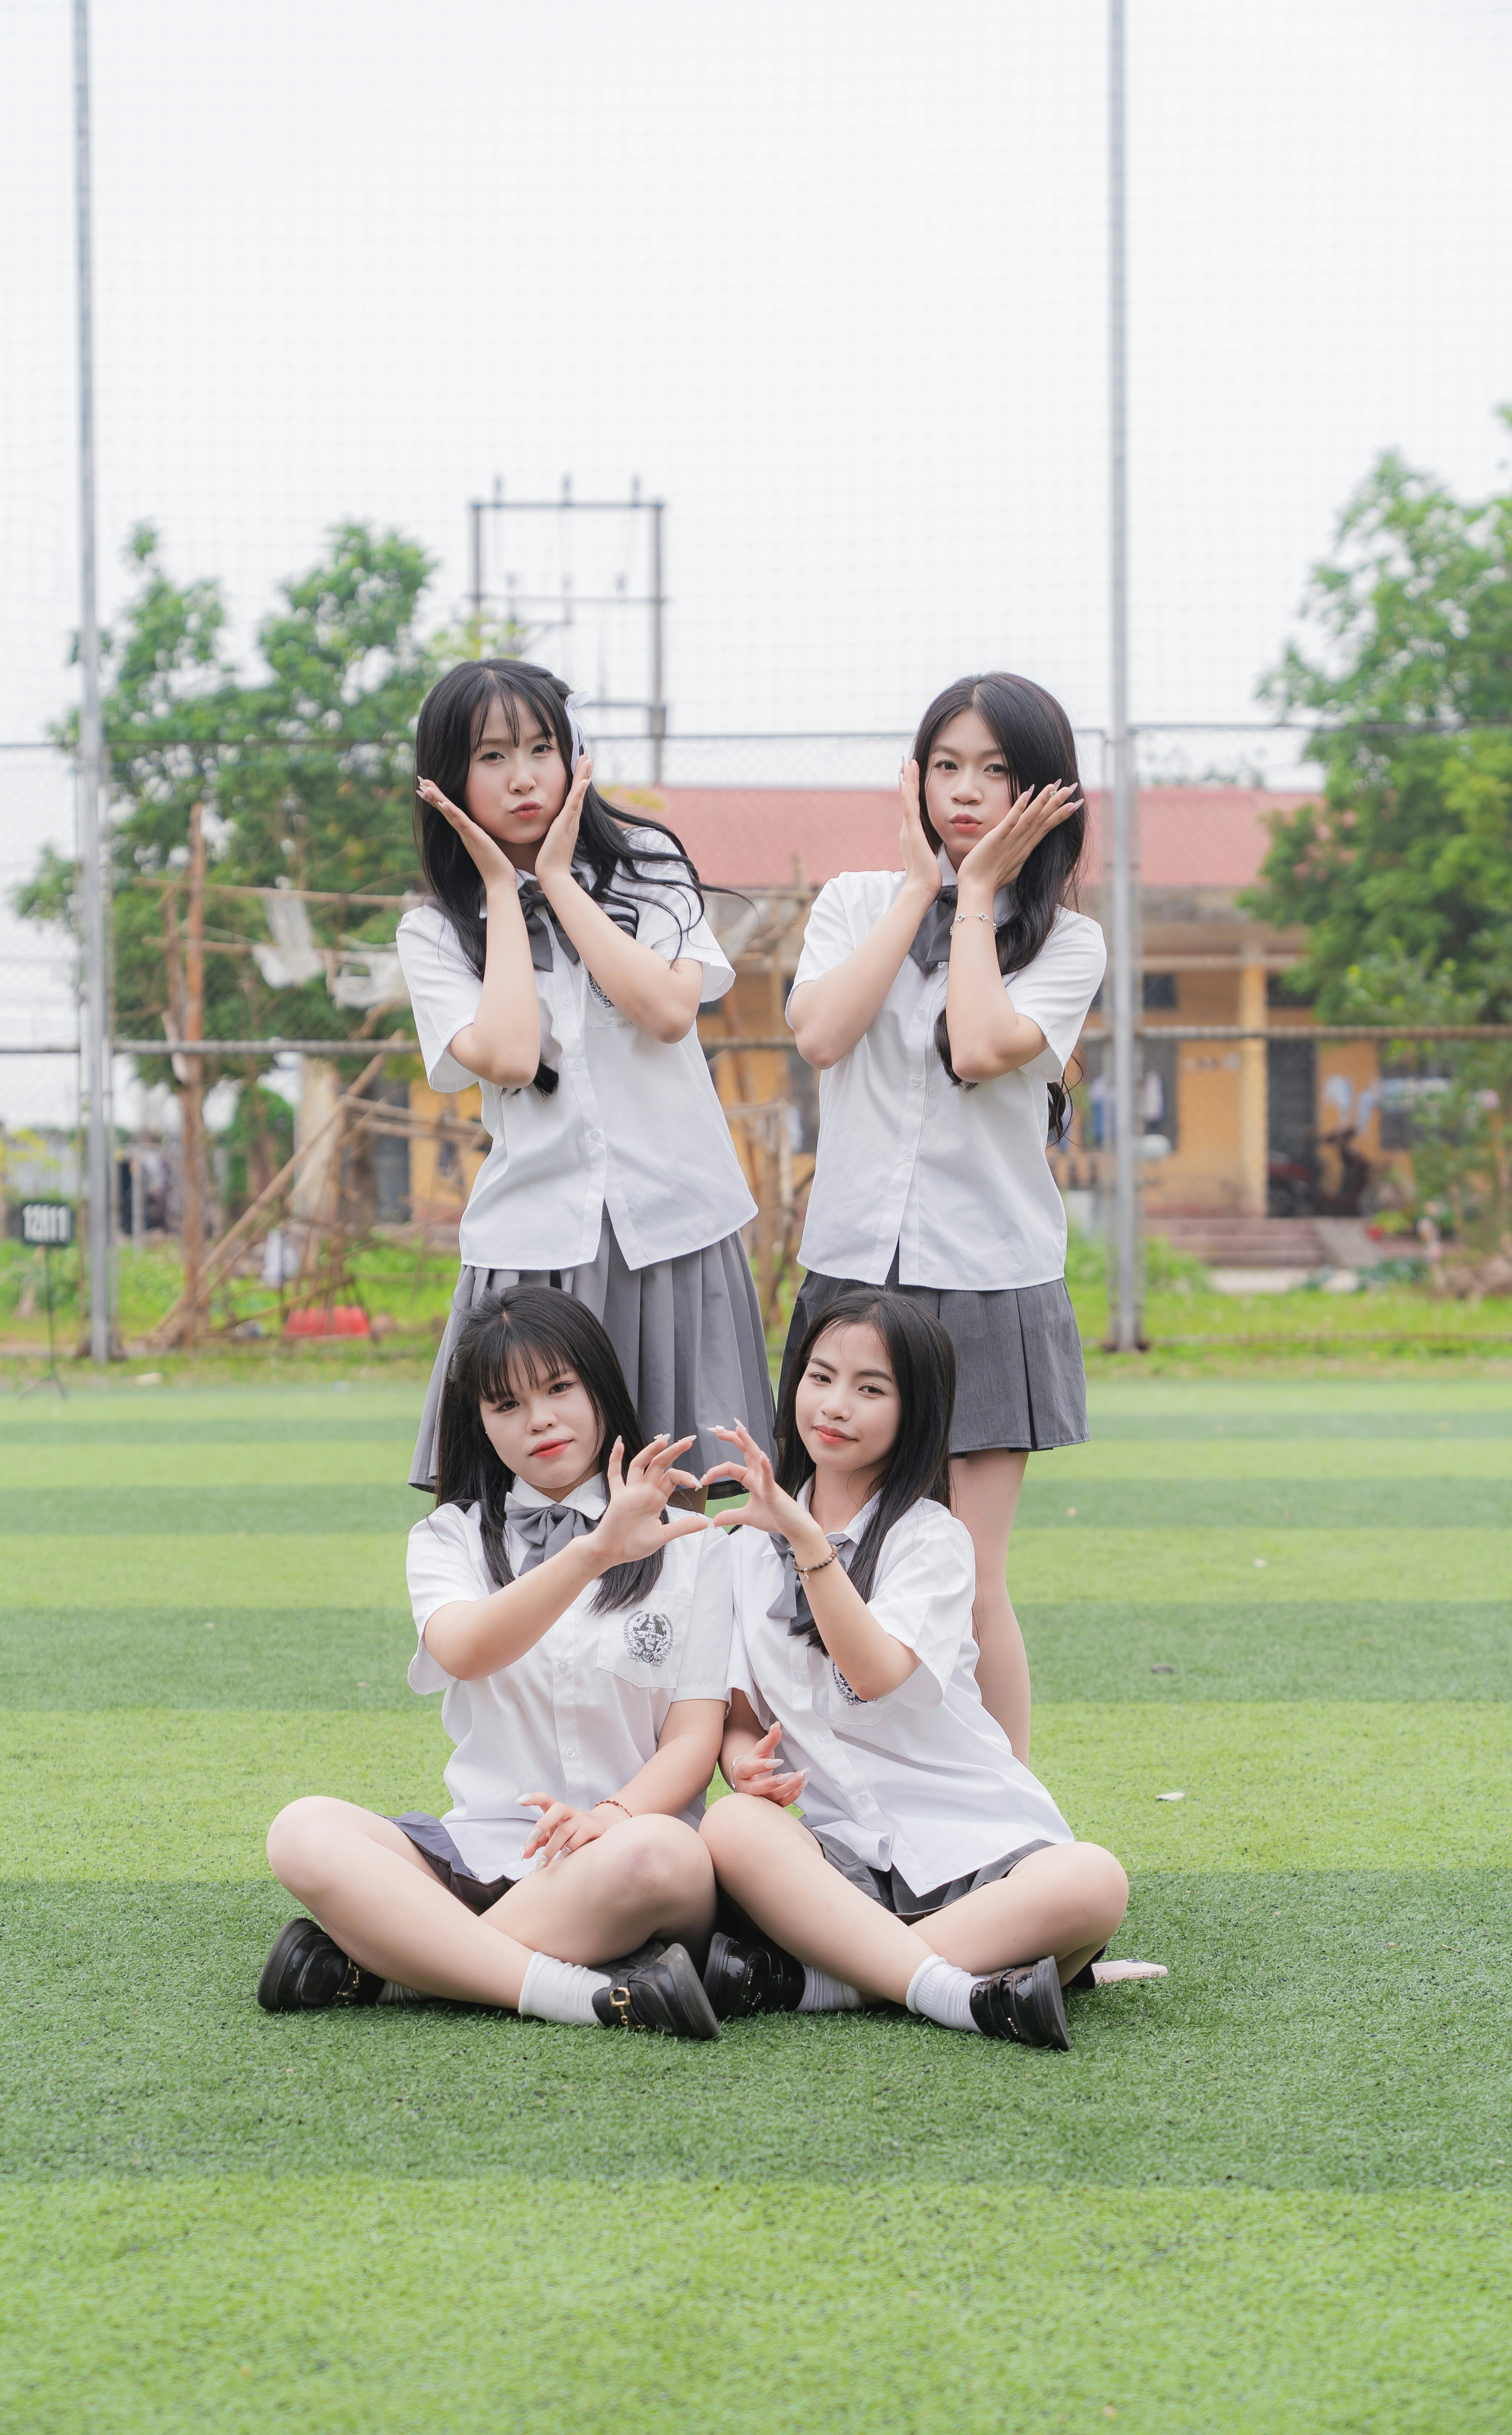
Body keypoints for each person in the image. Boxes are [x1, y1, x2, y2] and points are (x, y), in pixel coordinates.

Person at [258, 1287, 730, 2039]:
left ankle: (400, 1968)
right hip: (476, 1853)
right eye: (505, 1404)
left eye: (559, 1388)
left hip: (620, 1857)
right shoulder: (447, 1537)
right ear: (478, 1424)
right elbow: (465, 1649)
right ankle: (575, 1992)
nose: (538, 1419)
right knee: (301, 1830)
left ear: (600, 1389)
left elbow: (695, 1740)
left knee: (665, 1853)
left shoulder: (695, 1544)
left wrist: (608, 1819)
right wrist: (596, 1551)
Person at [698, 1289, 1163, 2050]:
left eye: (871, 1388)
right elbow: (739, 1714)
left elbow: (876, 1671)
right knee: (733, 1826)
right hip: (839, 1855)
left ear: (916, 1412)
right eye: (820, 1377)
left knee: (1092, 1882)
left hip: (972, 1843)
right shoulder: (741, 1547)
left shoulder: (934, 1541)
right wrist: (742, 1765)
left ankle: (825, 1984)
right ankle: (958, 1986)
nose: (836, 1405)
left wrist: (808, 1541)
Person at [782, 671, 1106, 1763]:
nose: (967, 792)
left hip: (989, 1279)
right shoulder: (855, 901)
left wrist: (975, 900)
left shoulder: (1070, 944)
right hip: (853, 1277)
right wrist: (925, 893)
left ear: (1045, 794)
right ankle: (842, 1808)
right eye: (947, 767)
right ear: (913, 779)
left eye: (998, 772)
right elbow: (821, 1035)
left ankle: (1006, 1830)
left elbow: (976, 1047)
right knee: (835, 1561)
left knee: (969, 1586)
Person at [398, 657, 775, 1499]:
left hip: (673, 1229)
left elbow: (666, 1011)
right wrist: (502, 889)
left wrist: (559, 882)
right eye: (491, 756)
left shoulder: (646, 865)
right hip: (534, 1247)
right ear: (445, 777)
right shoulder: (433, 931)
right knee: (535, 1502)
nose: (524, 777)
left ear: (576, 754)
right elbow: (503, 1054)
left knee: (684, 1498)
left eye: (542, 748)